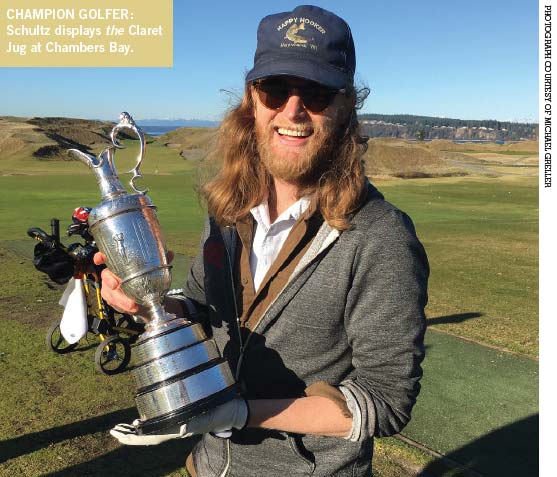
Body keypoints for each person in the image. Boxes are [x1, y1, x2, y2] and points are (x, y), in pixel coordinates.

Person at [101, 5, 429, 476]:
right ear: (252, 100)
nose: (292, 110)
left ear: (345, 107)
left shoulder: (380, 238)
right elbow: (200, 306)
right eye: (275, 89)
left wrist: (239, 412)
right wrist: (148, 304)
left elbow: (384, 402)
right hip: (208, 467)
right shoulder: (228, 211)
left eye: (315, 92)